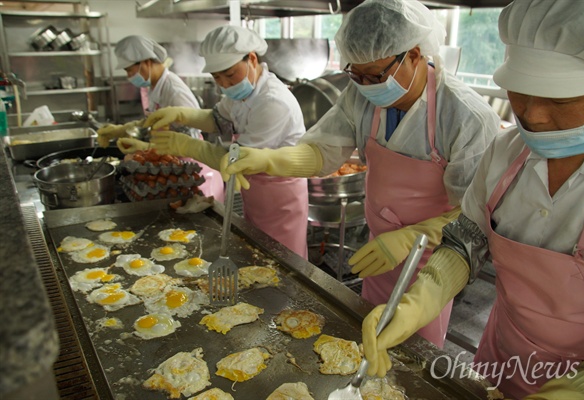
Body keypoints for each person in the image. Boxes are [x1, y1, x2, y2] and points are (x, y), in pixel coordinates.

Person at [220, 0, 499, 348]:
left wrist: (412, 238)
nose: (366, 85)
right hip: (377, 247)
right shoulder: (363, 95)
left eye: (376, 75)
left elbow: (471, 215)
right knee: (366, 334)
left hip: (433, 257)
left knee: (413, 349)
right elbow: (322, 152)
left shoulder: (465, 116)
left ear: (413, 54)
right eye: (357, 74)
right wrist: (266, 159)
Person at [361, 0, 584, 398]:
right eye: (521, 93)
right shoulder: (507, 152)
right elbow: (465, 241)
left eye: (559, 100)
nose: (533, 114)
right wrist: (417, 304)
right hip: (502, 353)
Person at [141, 25, 309, 259]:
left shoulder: (272, 102)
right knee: (258, 256)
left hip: (280, 198)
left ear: (251, 58)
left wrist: (187, 145)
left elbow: (237, 158)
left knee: (284, 262)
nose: (225, 84)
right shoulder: (243, 94)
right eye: (217, 77)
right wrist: (181, 114)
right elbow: (216, 119)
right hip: (255, 191)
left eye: (230, 74)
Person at [98, 35, 224, 202]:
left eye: (129, 70)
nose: (129, 75)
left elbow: (189, 139)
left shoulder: (175, 92)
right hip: (171, 172)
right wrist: (122, 130)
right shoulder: (154, 87)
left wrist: (148, 147)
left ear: (146, 62)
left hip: (191, 173)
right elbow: (154, 120)